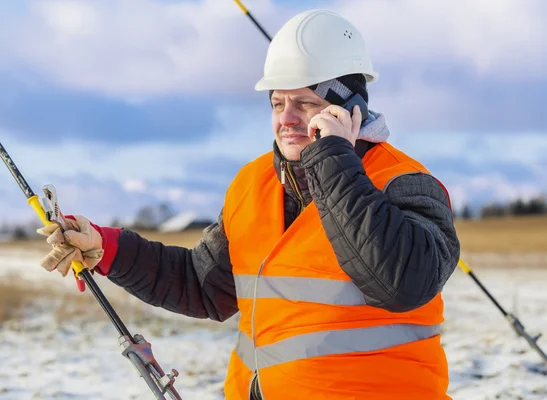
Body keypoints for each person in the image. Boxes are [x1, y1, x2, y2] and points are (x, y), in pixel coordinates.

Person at [37, 9, 460, 400]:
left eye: (306, 103)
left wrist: (332, 155)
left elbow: (400, 283)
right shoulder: (252, 183)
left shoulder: (406, 184)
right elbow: (204, 286)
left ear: (348, 110)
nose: (287, 118)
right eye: (278, 103)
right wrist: (107, 248)